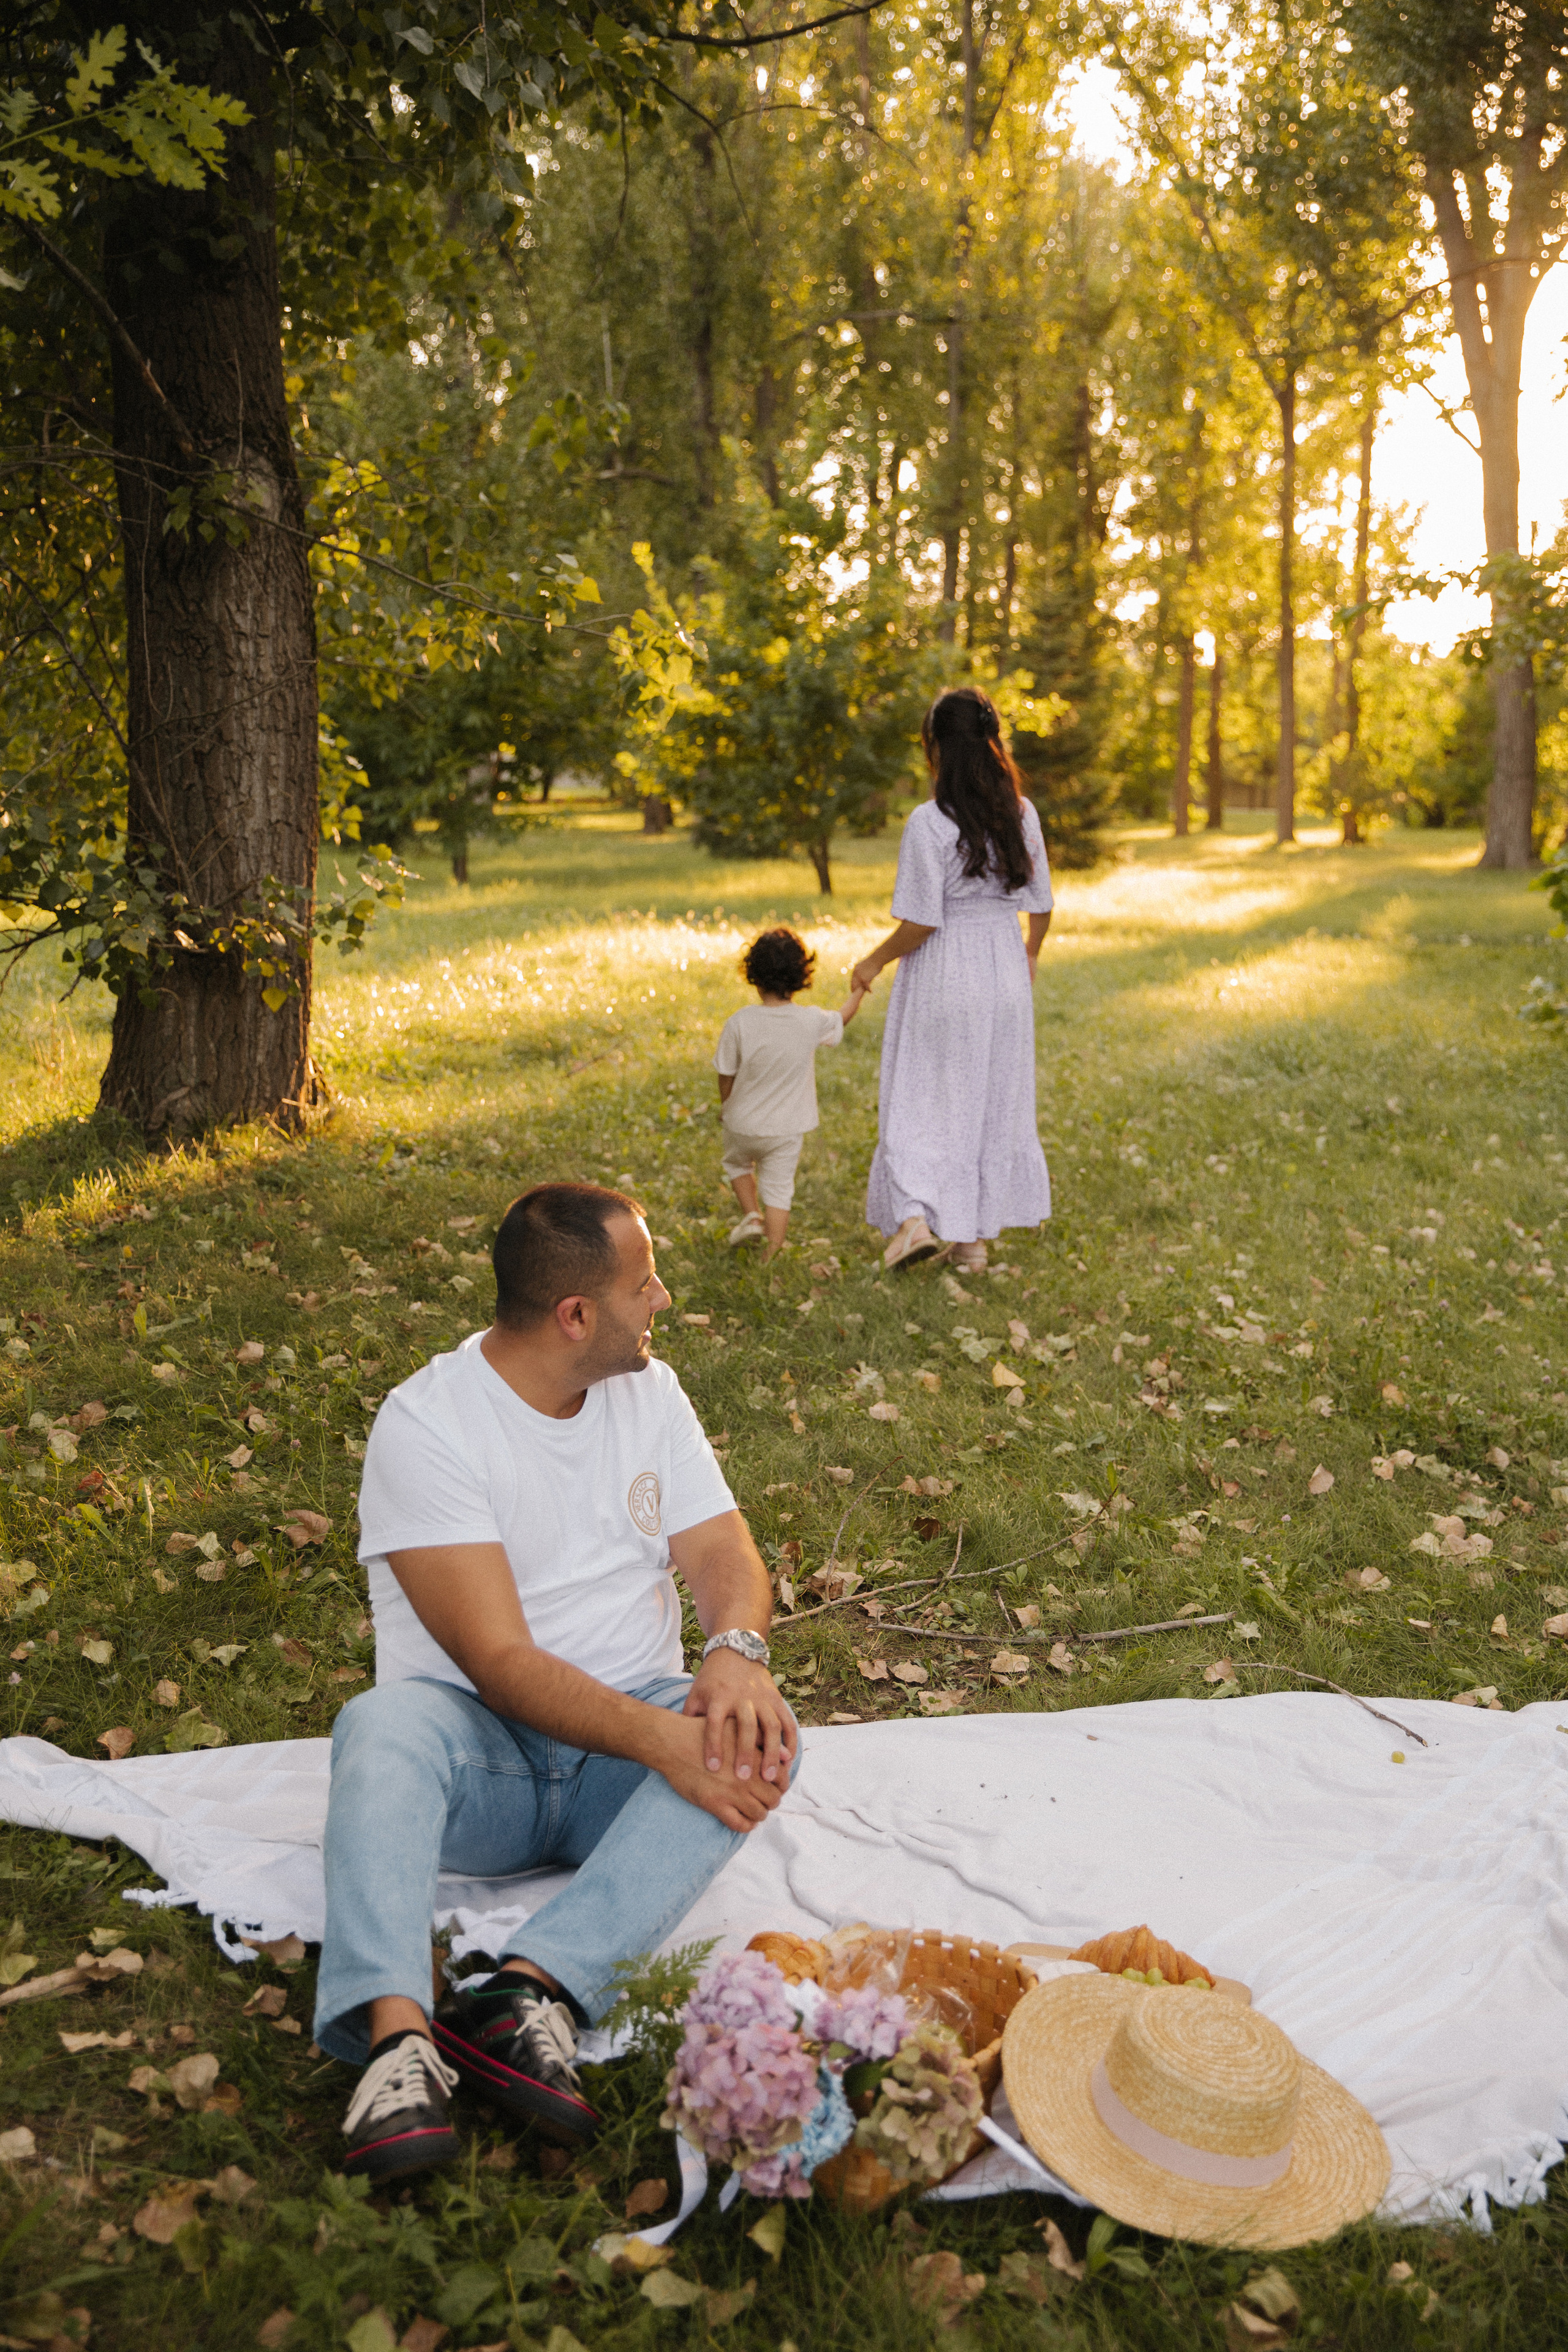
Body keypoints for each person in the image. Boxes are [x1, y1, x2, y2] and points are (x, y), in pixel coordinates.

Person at [312, 1182, 796, 2182]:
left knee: (758, 1735)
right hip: (476, 1756)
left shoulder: (648, 1392)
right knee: (380, 1727)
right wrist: (665, 1742)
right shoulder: (429, 1425)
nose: (661, 1297)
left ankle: (531, 1993)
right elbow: (500, 1665)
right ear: (576, 1315)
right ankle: (397, 2046)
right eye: (643, 1282)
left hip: (614, 1769)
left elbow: (722, 1553)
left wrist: (733, 1654)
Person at [853, 685, 1054, 1272]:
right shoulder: (1021, 813)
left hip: (946, 969)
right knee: (988, 1098)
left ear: (936, 747)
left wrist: (873, 961)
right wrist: (1030, 956)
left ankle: (915, 1218)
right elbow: (1040, 903)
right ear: (992, 743)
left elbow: (922, 921)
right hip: (1003, 968)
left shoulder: (930, 822)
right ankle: (971, 1244)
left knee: (921, 1097)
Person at [714, 926, 867, 1261]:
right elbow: (843, 1018)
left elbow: (726, 1073)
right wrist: (858, 991)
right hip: (786, 1129)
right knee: (779, 1189)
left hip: (742, 1123)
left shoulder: (739, 1022)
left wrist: (726, 1105)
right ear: (802, 975)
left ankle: (752, 1216)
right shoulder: (810, 1021)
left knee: (737, 1162)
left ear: (753, 974)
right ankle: (770, 1252)